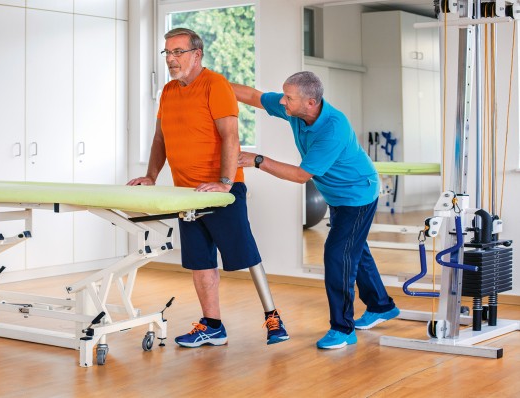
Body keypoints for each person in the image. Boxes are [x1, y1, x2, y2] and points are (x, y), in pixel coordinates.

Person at [127, 28, 289, 347]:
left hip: (222, 192)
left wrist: (225, 183)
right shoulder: (169, 91)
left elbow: (230, 136)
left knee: (246, 254)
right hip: (186, 194)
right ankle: (212, 324)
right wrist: (151, 176)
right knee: (200, 261)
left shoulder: (216, 85)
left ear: (196, 54)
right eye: (167, 53)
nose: (171, 59)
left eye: (178, 52)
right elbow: (161, 139)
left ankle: (272, 316)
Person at [231, 71, 399, 349]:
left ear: (311, 102)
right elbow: (253, 96)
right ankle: (381, 305)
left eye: (289, 98)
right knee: (354, 251)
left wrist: (258, 160)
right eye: (284, 95)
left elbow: (300, 175)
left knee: (338, 255)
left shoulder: (333, 128)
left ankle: (343, 328)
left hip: (357, 195)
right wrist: (211, 81)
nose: (283, 102)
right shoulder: (296, 110)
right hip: (337, 195)